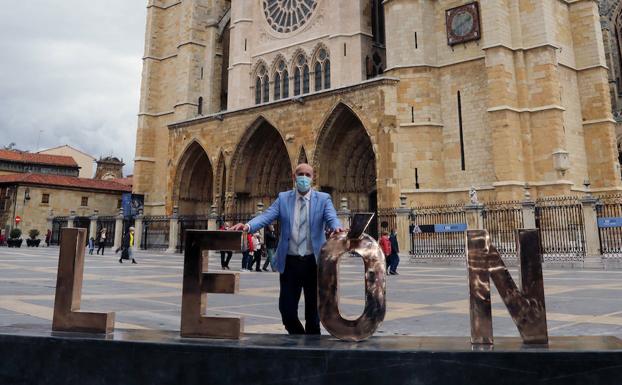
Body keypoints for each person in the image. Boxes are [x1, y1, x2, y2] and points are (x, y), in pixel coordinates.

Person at [232, 163, 343, 335]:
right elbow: (266, 216)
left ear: (313, 178)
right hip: (290, 262)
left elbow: (332, 217)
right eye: (300, 174)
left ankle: (312, 353)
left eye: (307, 175)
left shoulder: (323, 199)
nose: (304, 178)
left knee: (313, 314)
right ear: (293, 177)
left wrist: (337, 227)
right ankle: (299, 339)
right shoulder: (284, 198)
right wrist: (247, 226)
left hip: (314, 262)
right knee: (287, 311)